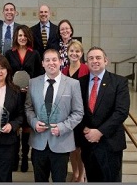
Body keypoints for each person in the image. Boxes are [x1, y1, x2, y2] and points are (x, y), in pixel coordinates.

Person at [25, 49, 84, 182]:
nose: (51, 63)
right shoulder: (33, 83)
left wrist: (62, 127)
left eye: (54, 60)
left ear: (61, 61)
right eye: (47, 60)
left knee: (59, 180)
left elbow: (78, 112)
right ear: (42, 63)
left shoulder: (73, 84)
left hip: (61, 142)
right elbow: (28, 108)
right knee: (40, 180)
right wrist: (34, 123)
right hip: (38, 142)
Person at [78, 46, 130, 182]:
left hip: (110, 143)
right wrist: (84, 129)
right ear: (86, 63)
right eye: (91, 58)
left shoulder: (119, 82)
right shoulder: (79, 83)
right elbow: (76, 111)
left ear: (106, 61)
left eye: (98, 57)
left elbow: (121, 111)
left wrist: (100, 132)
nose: (94, 61)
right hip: (88, 143)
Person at [4, 25, 43, 172]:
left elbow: (40, 74)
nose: (22, 38)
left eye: (24, 35)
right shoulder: (9, 53)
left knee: (27, 128)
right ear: (16, 37)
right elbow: (6, 74)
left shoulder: (35, 54)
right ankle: (14, 158)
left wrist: (32, 87)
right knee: (15, 127)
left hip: (29, 96)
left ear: (28, 37)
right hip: (13, 96)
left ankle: (25, 158)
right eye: (19, 35)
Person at [61, 40, 89, 182]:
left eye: (77, 51)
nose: (74, 53)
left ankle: (82, 174)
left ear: (81, 53)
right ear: (67, 53)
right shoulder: (64, 71)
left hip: (82, 113)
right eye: (71, 51)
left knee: (81, 147)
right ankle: (75, 172)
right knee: (71, 147)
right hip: (68, 114)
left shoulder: (86, 69)